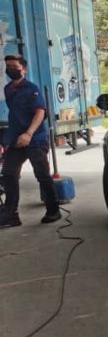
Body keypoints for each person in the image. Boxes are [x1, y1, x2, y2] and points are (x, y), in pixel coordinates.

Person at [0, 54, 60, 228]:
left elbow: (40, 112)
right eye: (8, 67)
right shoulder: (8, 89)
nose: (11, 70)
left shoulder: (32, 88)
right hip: (16, 140)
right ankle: (11, 215)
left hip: (34, 139)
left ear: (24, 69)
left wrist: (28, 134)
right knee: (9, 174)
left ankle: (53, 210)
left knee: (42, 175)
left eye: (15, 67)